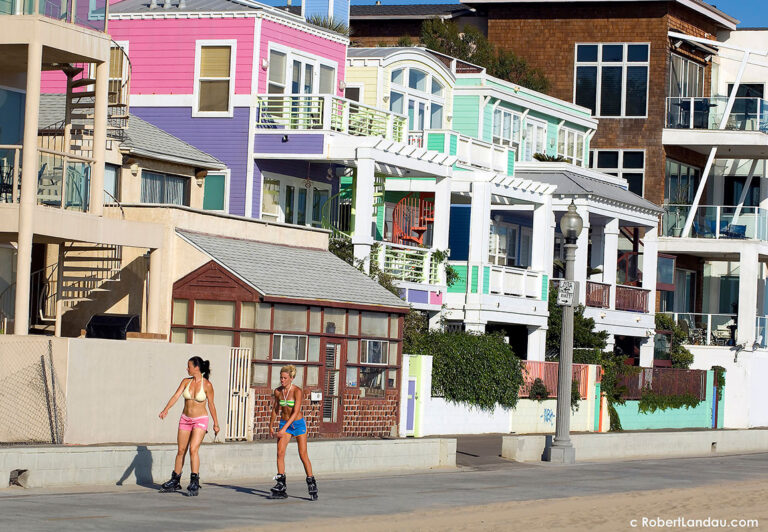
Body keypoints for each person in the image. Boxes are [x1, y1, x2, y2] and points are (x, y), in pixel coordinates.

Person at [158, 356, 220, 496]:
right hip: (185, 419)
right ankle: (175, 480)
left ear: (196, 368)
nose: (187, 368)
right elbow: (176, 396)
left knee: (193, 449)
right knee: (181, 450)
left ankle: (194, 481)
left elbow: (211, 404)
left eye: (189, 366)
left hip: (200, 420)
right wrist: (166, 409)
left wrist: (216, 423)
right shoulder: (186, 382)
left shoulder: (207, 385)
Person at [268, 364, 318, 500]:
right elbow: (275, 409)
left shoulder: (297, 391)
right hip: (285, 423)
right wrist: (271, 425)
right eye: (281, 378)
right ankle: (281, 484)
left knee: (302, 454)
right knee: (280, 453)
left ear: (291, 378)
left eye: (284, 378)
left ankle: (311, 482)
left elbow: (295, 411)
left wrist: (283, 429)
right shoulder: (278, 391)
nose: (282, 380)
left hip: (298, 424)